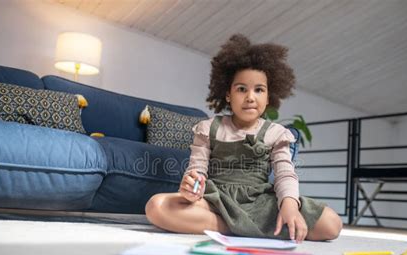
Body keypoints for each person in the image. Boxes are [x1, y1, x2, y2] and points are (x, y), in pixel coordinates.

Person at [145, 34, 342, 243]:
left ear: (268, 97)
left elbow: (285, 174)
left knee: (332, 224)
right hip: (215, 201)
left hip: (260, 202)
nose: (250, 97)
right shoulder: (207, 128)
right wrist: (192, 188)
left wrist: (290, 206)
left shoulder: (276, 133)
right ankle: (240, 228)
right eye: (241, 89)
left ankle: (234, 226)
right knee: (156, 207)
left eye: (259, 90)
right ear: (228, 94)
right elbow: (197, 170)